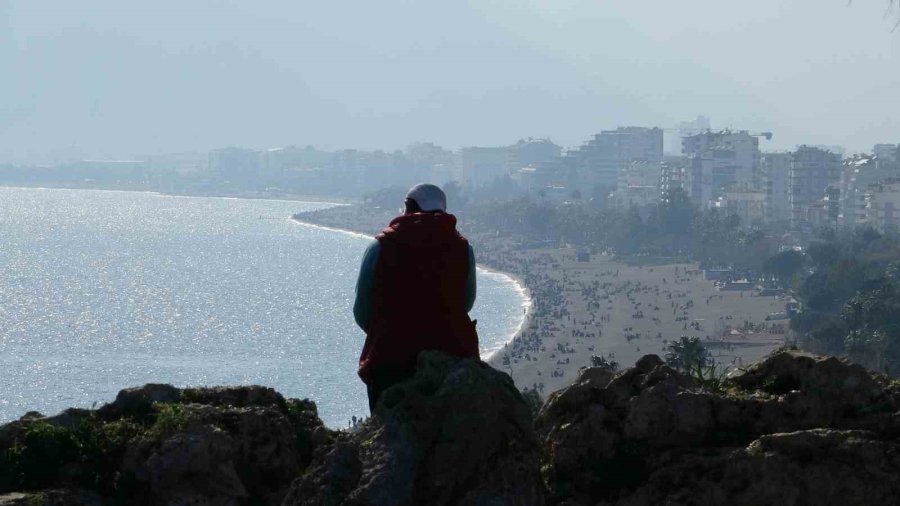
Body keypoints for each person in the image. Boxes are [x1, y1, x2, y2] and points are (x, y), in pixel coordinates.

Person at [353, 183, 478, 413]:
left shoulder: (379, 247)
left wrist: (386, 330)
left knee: (389, 439)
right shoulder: (462, 249)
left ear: (409, 207)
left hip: (390, 360)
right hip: (452, 357)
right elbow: (466, 303)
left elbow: (362, 312)